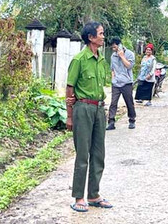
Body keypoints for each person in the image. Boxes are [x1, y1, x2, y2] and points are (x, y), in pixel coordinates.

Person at [66, 21, 113, 212]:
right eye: (100, 34)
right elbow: (70, 89)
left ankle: (94, 195)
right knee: (82, 154)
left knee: (98, 153)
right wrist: (69, 116)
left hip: (99, 109)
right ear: (91, 37)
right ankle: (79, 197)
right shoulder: (79, 60)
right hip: (82, 109)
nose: (103, 36)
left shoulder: (101, 59)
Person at [106, 37, 136, 130]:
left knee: (129, 102)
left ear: (119, 45)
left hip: (126, 82)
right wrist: (113, 79)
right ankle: (111, 121)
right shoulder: (113, 56)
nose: (113, 49)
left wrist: (122, 56)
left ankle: (132, 120)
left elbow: (129, 66)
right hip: (116, 83)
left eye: (114, 47)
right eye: (112, 47)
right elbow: (112, 69)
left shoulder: (130, 54)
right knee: (113, 103)